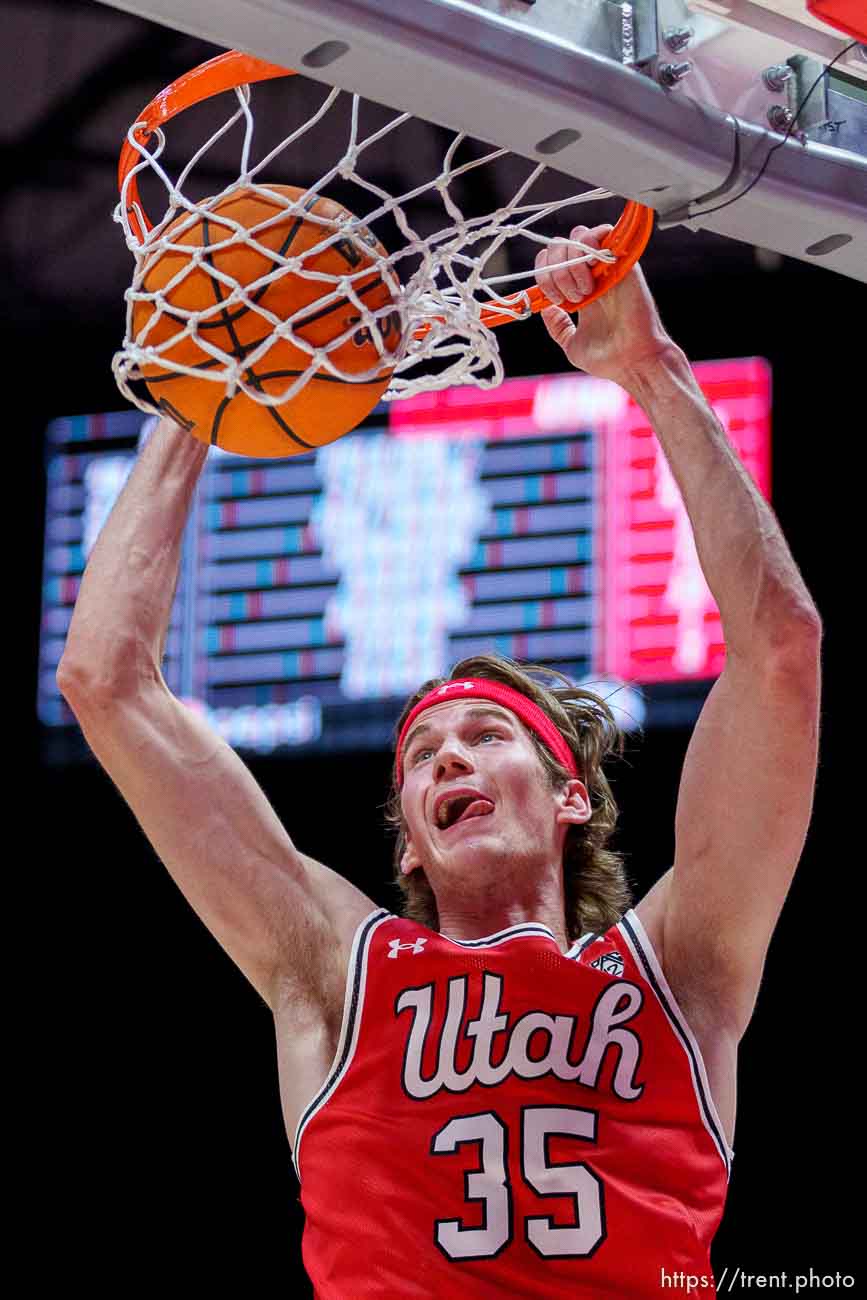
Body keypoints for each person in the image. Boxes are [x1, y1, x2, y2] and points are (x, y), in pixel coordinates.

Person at [57, 225, 822, 1297]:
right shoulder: (334, 968)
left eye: (484, 735)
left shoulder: (680, 969)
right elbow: (107, 682)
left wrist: (653, 373)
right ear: (410, 840)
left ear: (570, 797)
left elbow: (781, 650)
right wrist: (201, 402)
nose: (444, 757)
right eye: (420, 756)